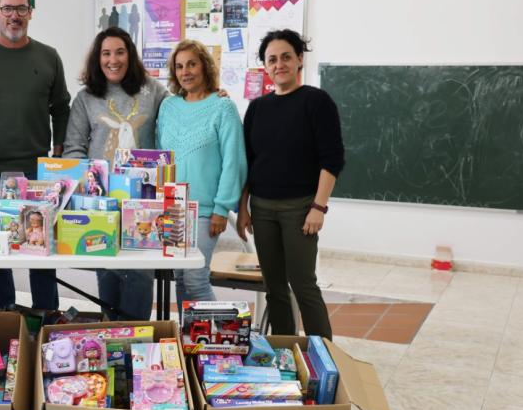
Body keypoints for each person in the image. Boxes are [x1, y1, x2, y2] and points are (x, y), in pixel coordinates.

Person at [0, 0, 71, 310]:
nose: (14, 16)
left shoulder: (48, 56)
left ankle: (47, 316)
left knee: (41, 250)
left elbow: (61, 107)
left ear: (30, 13)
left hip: (38, 174)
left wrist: (59, 153)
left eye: (21, 9)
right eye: (7, 9)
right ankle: (5, 315)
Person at [236, 29, 344, 339]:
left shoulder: (317, 101)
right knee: (274, 287)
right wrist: (243, 209)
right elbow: (249, 162)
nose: (279, 64)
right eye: (272, 59)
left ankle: (323, 355)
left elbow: (332, 160)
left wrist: (318, 207)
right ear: (265, 66)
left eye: (286, 57)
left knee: (303, 283)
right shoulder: (257, 109)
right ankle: (284, 352)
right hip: (263, 208)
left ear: (299, 59)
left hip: (301, 208)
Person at [64, 27, 169, 320]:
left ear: (130, 55)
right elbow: (73, 147)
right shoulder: (85, 99)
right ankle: (111, 339)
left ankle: (135, 344)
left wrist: (212, 95)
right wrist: (89, 187)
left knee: (139, 274)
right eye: (106, 53)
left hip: (144, 201)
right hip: (101, 201)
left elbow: (181, 113)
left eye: (120, 52)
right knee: (107, 272)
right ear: (97, 59)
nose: (113, 60)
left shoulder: (153, 91)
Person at [156, 39, 246, 310]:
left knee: (196, 280)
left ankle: (223, 337)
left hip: (206, 211)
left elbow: (235, 161)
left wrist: (221, 209)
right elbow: (162, 157)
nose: (186, 72)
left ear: (205, 66)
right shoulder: (168, 107)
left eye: (192, 64)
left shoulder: (223, 107)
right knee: (181, 280)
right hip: (172, 209)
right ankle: (190, 343)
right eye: (180, 66)